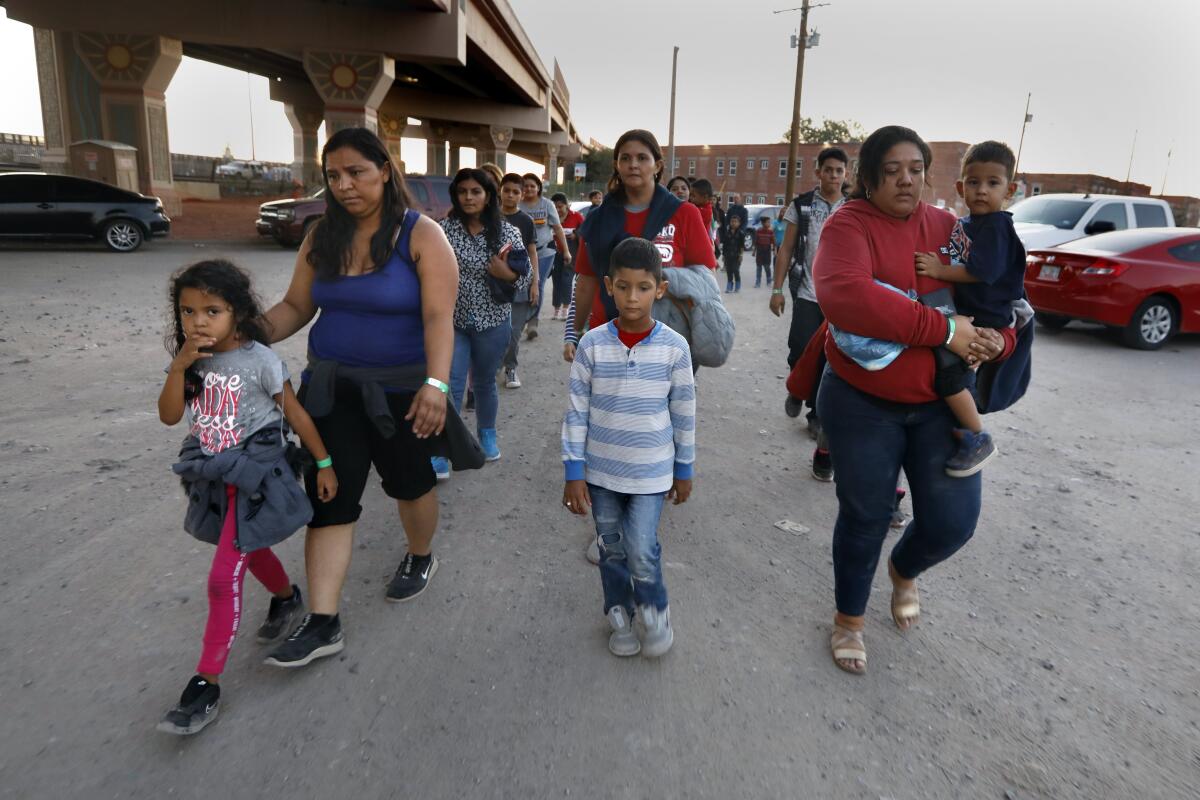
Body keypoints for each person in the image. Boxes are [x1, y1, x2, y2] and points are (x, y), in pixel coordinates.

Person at [261, 127, 475, 669]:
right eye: (333, 176)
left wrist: (438, 385)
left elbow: (437, 318)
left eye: (355, 172)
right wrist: (241, 333)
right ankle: (324, 621)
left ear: (385, 168)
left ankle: (420, 554)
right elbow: (294, 307)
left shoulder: (421, 235)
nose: (344, 185)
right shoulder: (321, 237)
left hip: (405, 391)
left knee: (410, 484)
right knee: (330, 496)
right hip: (331, 391)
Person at [810, 125, 1012, 675]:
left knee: (953, 521)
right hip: (861, 401)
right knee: (865, 514)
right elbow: (847, 295)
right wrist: (946, 331)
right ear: (870, 176)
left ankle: (903, 570)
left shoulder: (948, 227)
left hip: (937, 406)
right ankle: (849, 620)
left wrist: (999, 338)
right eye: (893, 169)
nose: (906, 180)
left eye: (916, 169)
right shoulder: (848, 224)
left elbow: (998, 292)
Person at [156, 259, 337, 735]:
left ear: (237, 312)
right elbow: (170, 416)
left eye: (211, 310)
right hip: (211, 477)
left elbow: (295, 416)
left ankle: (205, 682)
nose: (198, 321)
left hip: (254, 477)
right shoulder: (191, 359)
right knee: (247, 549)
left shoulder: (260, 360)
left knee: (222, 577)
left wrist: (323, 463)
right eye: (188, 311)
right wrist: (179, 367)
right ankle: (286, 595)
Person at [562, 237, 695, 658]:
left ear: (660, 288)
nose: (632, 297)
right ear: (608, 286)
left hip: (652, 474)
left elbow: (684, 413)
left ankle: (655, 610)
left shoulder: (675, 347)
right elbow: (576, 412)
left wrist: (685, 469)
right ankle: (619, 614)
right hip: (601, 475)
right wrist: (573, 472)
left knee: (641, 548)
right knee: (611, 549)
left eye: (642, 287)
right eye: (622, 287)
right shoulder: (592, 345)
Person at [913, 140, 1024, 476]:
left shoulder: (996, 226)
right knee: (954, 373)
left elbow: (982, 271)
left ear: (1010, 189)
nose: (981, 191)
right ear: (961, 187)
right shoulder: (967, 225)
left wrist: (938, 271)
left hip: (987, 318)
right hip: (972, 314)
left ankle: (978, 436)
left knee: (950, 379)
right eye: (974, 183)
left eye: (993, 183)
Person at [572, 129, 717, 341]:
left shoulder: (685, 214)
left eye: (642, 158)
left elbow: (707, 278)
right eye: (625, 158)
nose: (633, 164)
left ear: (657, 165)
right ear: (616, 165)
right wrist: (576, 333)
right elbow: (586, 283)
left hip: (669, 339)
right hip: (609, 337)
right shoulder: (597, 220)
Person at [440, 167, 531, 464]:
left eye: (476, 191)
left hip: (492, 320)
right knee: (450, 383)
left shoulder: (507, 231)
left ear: (488, 195)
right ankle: (446, 445)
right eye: (463, 192)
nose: (469, 197)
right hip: (452, 321)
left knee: (484, 382)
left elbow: (524, 277)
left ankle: (487, 433)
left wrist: (506, 273)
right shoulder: (444, 230)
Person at [770, 146, 850, 481]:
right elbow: (786, 247)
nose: (833, 176)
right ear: (817, 172)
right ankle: (797, 386)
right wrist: (776, 289)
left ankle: (817, 413)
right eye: (828, 170)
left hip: (842, 300)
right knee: (800, 348)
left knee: (832, 358)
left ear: (846, 174)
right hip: (806, 291)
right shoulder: (801, 206)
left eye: (839, 171)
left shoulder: (854, 208)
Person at [499, 173, 540, 389]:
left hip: (521, 285)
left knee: (514, 332)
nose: (510, 195)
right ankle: (493, 365)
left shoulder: (525, 221)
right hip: (494, 285)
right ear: (500, 191)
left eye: (516, 192)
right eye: (507, 190)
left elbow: (532, 253)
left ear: (522, 195)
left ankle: (510, 368)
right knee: (495, 331)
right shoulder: (490, 217)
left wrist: (535, 283)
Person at [520, 173, 570, 340]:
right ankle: (519, 320)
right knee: (521, 285)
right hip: (520, 253)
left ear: (538, 188)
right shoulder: (517, 205)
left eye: (532, 186)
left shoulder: (547, 205)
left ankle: (533, 320)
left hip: (545, 252)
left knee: (538, 284)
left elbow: (557, 228)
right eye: (525, 185)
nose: (529, 189)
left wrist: (566, 250)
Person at [551, 192, 584, 320]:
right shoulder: (551, 217)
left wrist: (576, 234)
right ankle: (556, 308)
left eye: (560, 206)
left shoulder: (576, 216)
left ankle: (566, 308)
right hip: (554, 253)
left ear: (566, 205)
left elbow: (585, 229)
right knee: (556, 280)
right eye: (555, 207)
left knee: (566, 280)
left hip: (571, 253)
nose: (558, 210)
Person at [719, 214, 748, 292]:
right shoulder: (727, 233)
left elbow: (742, 246)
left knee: (735, 270)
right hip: (728, 255)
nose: (733, 223)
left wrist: (741, 255)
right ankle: (729, 285)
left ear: (739, 223)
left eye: (735, 222)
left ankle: (737, 284)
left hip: (737, 255)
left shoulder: (741, 233)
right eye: (732, 221)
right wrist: (723, 255)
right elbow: (724, 245)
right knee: (729, 271)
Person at [753, 215, 775, 288]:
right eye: (768, 222)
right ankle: (758, 282)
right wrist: (754, 251)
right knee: (759, 267)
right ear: (763, 223)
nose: (769, 224)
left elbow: (773, 242)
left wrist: (774, 250)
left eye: (769, 222)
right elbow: (756, 242)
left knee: (767, 267)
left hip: (767, 251)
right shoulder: (758, 231)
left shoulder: (770, 232)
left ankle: (768, 280)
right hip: (759, 251)